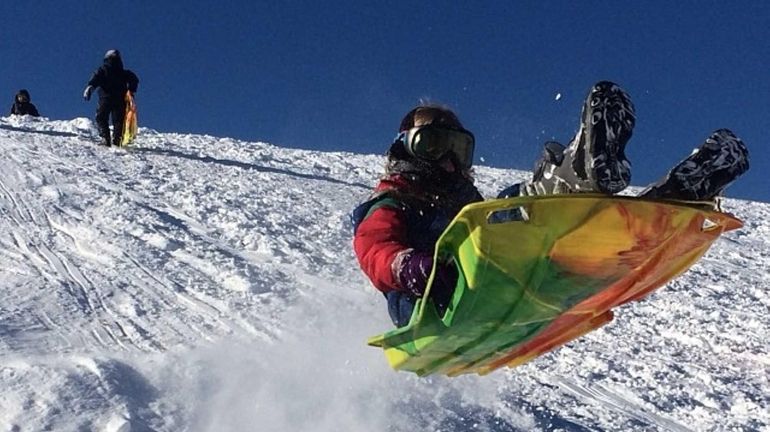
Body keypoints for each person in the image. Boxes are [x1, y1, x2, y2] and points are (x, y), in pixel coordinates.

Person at [353, 81, 749, 328]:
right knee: (501, 215)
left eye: (458, 149)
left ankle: (662, 196)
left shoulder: (464, 201)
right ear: (405, 149)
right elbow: (374, 249)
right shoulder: (393, 200)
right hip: (434, 303)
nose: (448, 161)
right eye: (434, 146)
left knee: (512, 206)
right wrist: (411, 267)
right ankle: (575, 175)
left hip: (499, 280)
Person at [83, 49, 139, 146]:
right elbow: (134, 79)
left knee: (101, 117)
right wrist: (131, 90)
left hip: (106, 98)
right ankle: (117, 139)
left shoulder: (103, 70)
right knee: (118, 120)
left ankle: (106, 138)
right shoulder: (123, 72)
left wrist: (90, 88)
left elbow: (95, 78)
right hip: (121, 99)